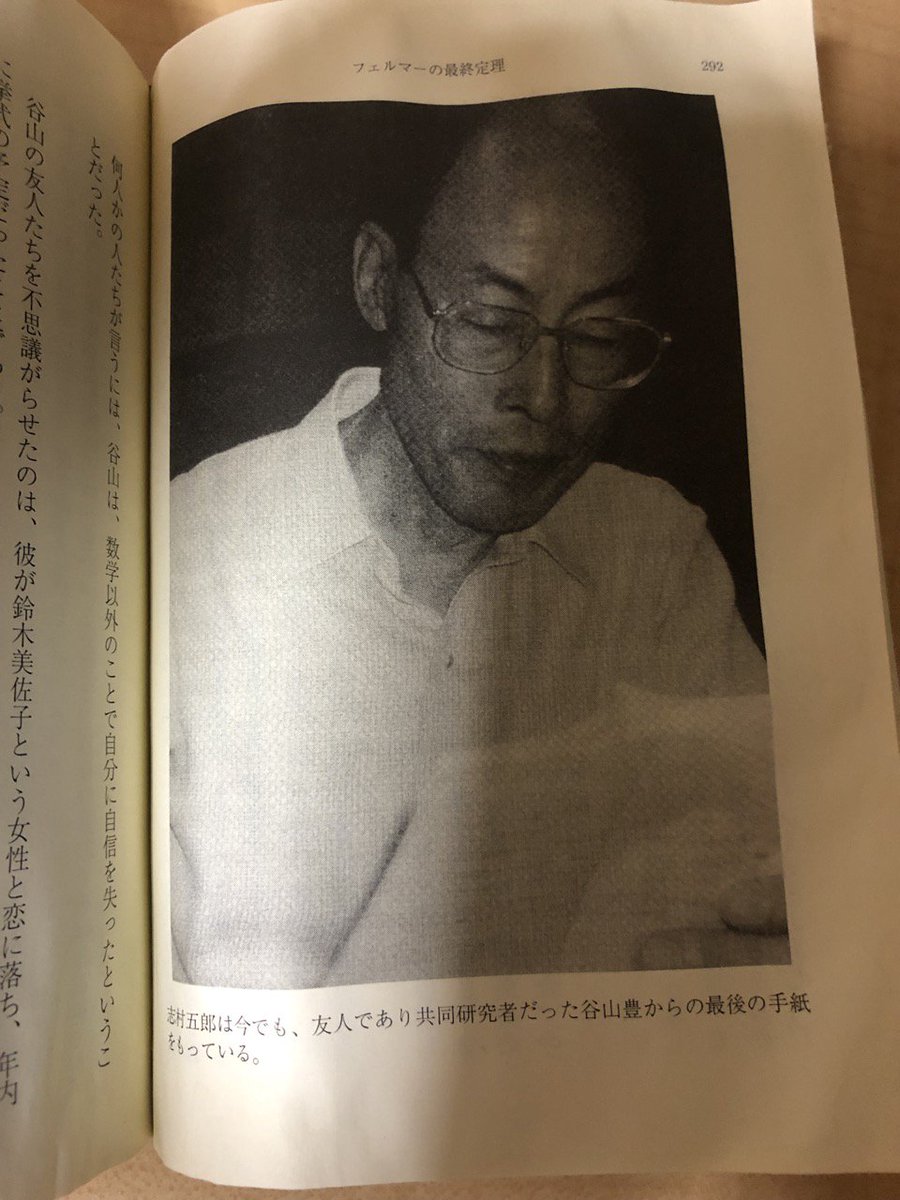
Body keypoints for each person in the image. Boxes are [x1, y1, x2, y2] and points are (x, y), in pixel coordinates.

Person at [169, 94, 788, 989]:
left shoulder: (654, 549)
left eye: (598, 338)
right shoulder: (192, 559)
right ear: (377, 281)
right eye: (491, 324)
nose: (543, 396)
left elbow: (757, 858)